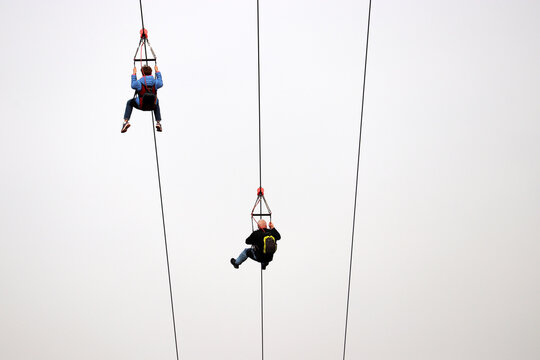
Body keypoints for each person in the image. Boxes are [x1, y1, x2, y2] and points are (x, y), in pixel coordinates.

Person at [121, 65, 163, 133]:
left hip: (141, 104)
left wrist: (134, 74)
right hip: (152, 105)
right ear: (151, 72)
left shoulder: (139, 83)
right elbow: (161, 83)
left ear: (142, 73)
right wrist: (157, 71)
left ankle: (126, 121)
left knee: (129, 102)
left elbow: (133, 85)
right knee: (156, 102)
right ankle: (158, 122)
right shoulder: (155, 82)